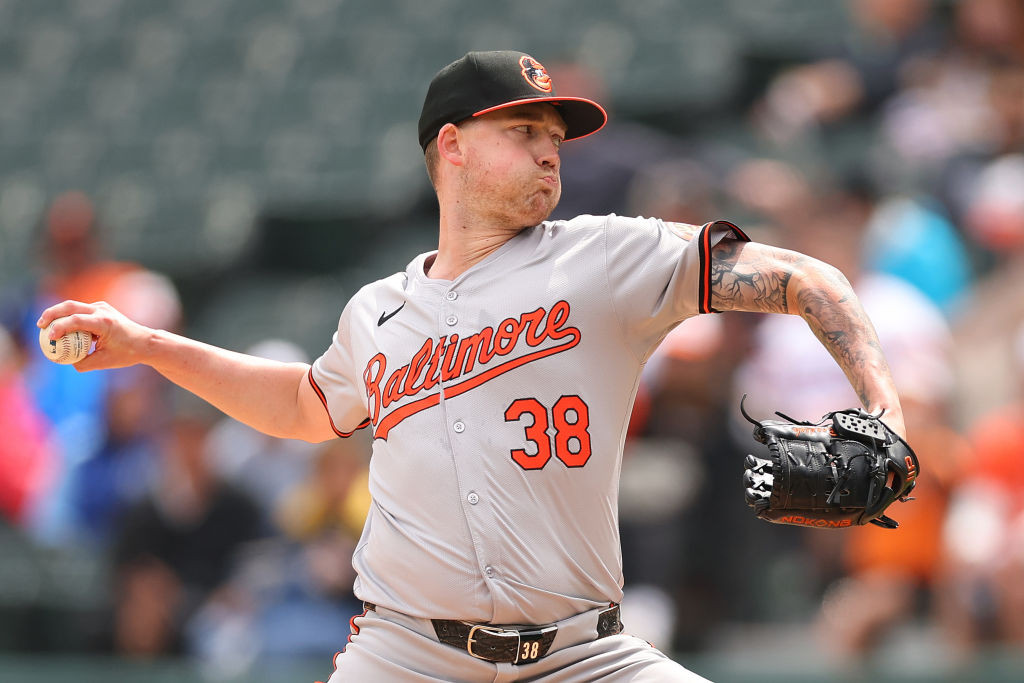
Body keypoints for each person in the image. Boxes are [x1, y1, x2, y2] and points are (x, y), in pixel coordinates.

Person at [38, 50, 909, 681]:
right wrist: (147, 344)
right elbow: (305, 405)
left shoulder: (607, 256)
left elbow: (806, 279)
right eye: (524, 130)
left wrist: (885, 411)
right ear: (451, 147)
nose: (550, 149)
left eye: (555, 135)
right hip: (405, 654)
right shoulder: (376, 311)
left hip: (583, 654)